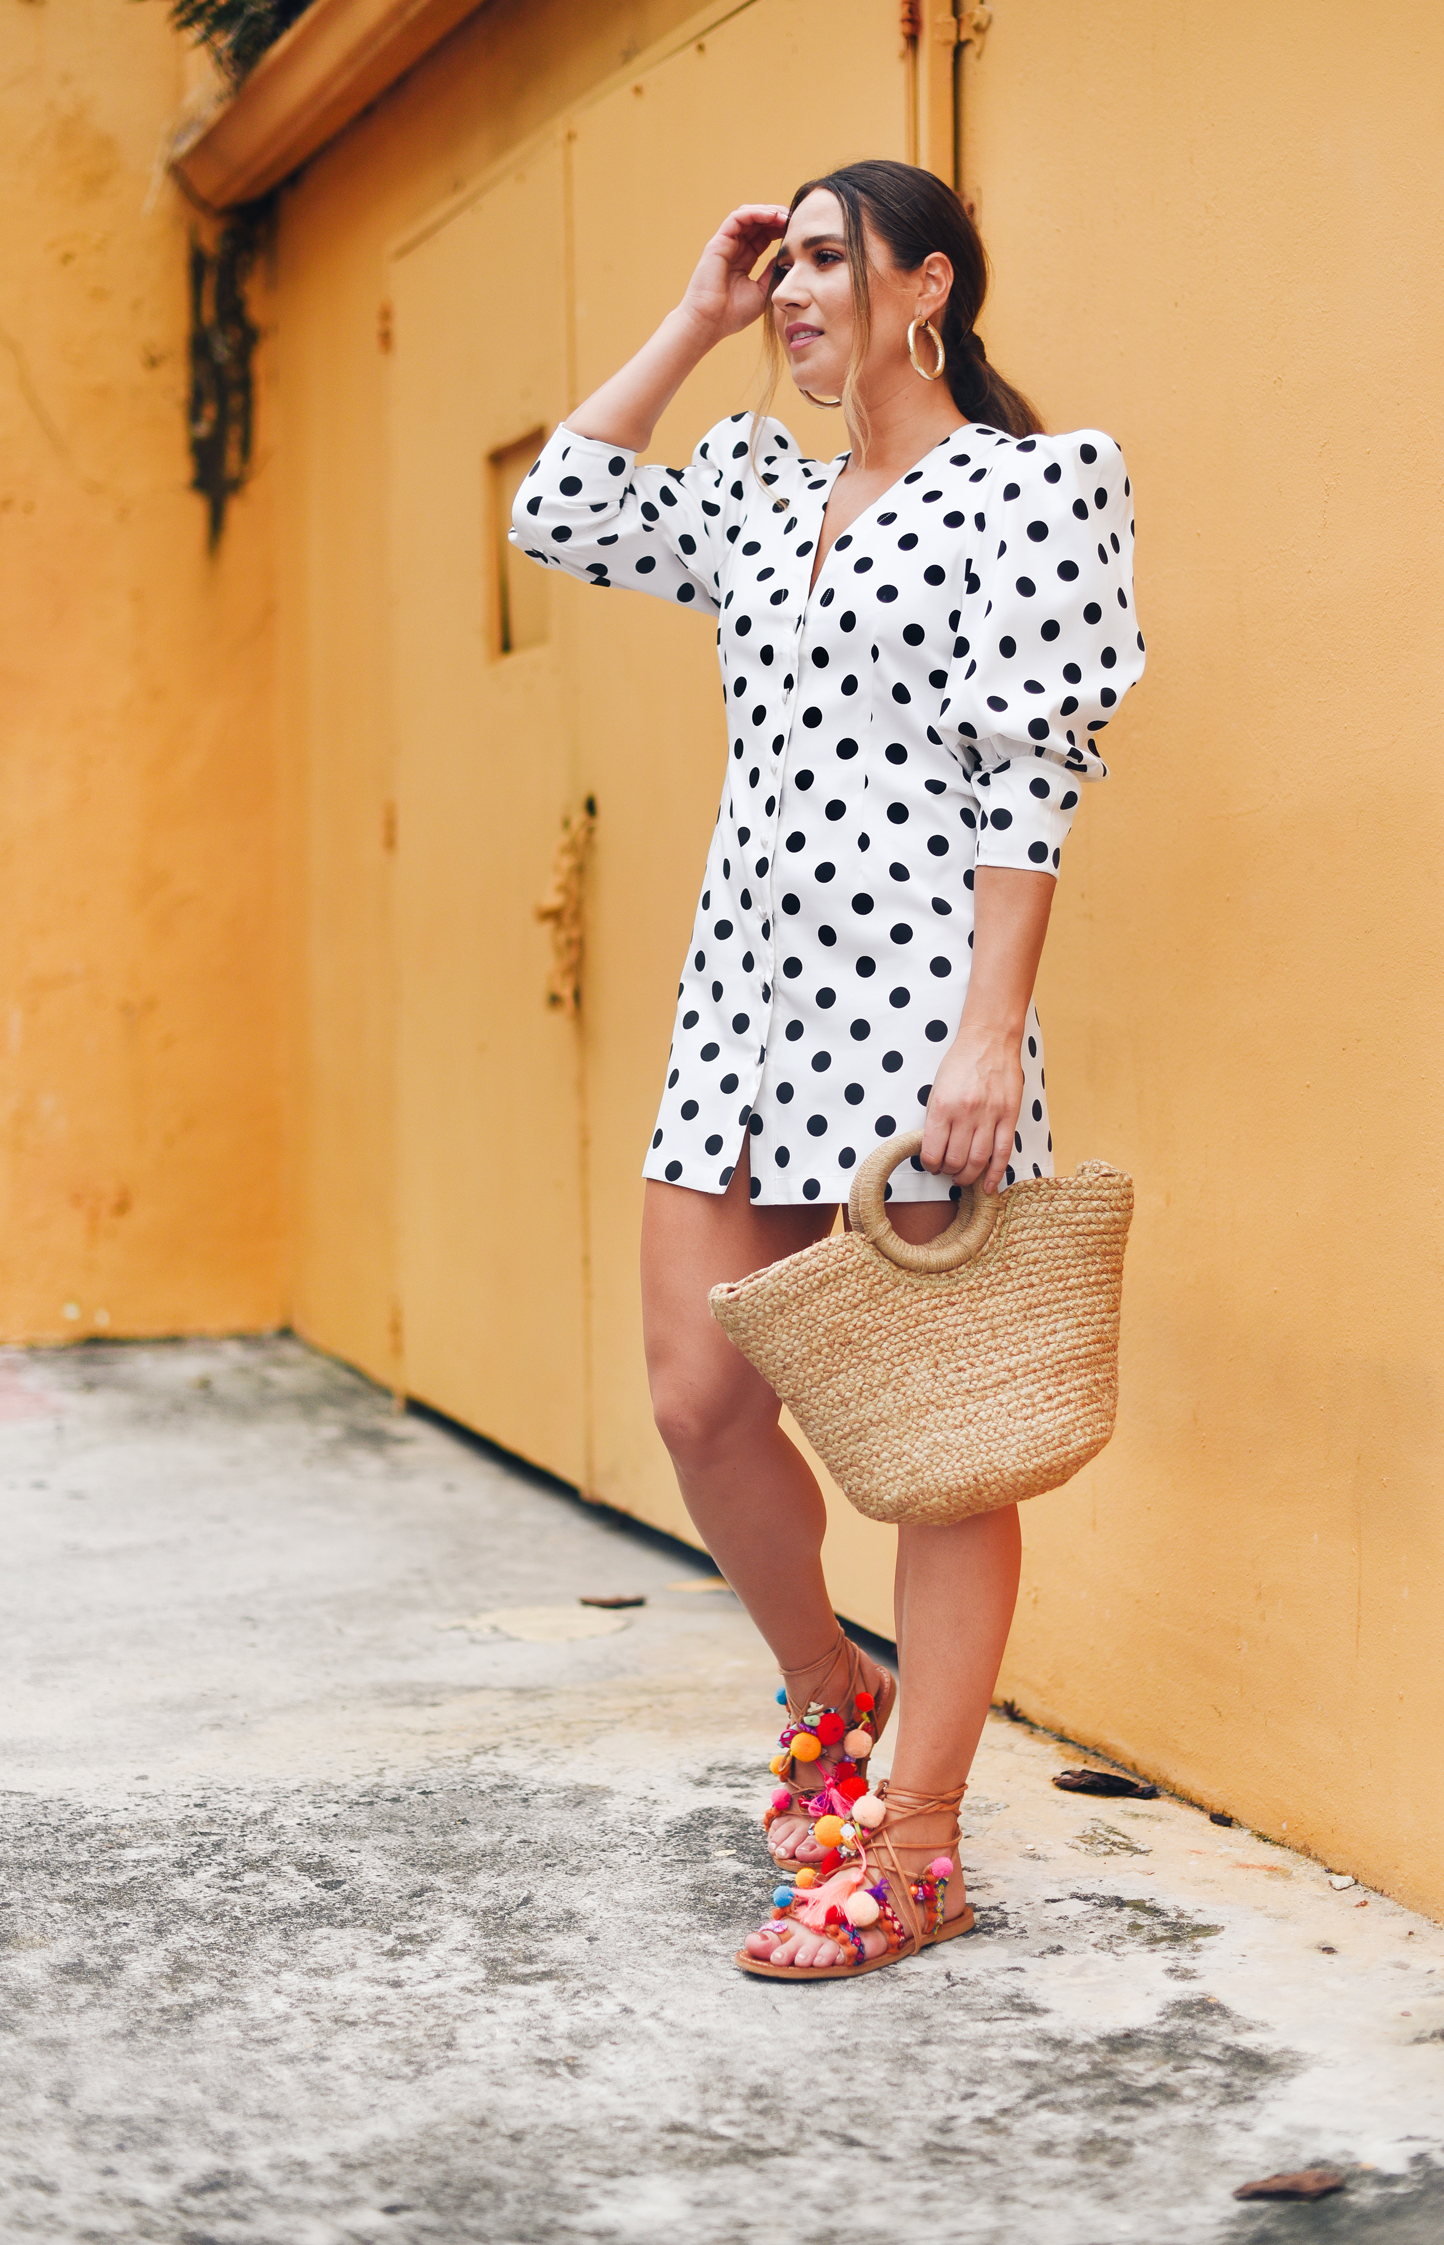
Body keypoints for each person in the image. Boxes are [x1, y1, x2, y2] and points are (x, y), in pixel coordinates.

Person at [511, 159, 1143, 1977]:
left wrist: (988, 1040)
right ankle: (825, 1688)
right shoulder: (747, 489)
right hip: (740, 1016)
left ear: (927, 287)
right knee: (698, 1397)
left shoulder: (1027, 488)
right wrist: (696, 315)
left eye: (821, 259)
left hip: (913, 1024)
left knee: (935, 1456)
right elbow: (557, 508)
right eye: (775, 262)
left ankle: (922, 1842)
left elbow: (1033, 779)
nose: (790, 288)